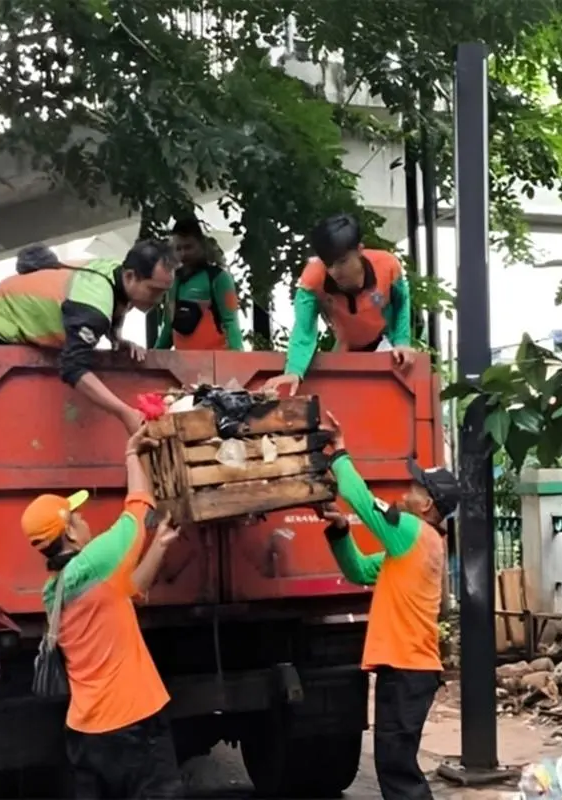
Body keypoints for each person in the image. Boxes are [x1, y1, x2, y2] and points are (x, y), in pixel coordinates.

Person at [21, 425, 183, 799]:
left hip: (86, 733)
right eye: (77, 518)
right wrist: (131, 453)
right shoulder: (94, 563)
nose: (85, 521)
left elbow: (129, 590)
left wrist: (159, 548)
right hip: (133, 725)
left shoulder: (56, 589)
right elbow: (139, 512)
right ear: (70, 534)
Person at [317, 411, 459, 800]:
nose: (408, 490)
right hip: (409, 670)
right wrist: (341, 531)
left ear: (427, 502)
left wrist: (340, 451)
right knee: (395, 764)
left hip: (408, 669)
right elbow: (361, 570)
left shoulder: (413, 531)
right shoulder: (412, 547)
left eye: (416, 487)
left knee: (397, 769)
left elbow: (363, 502)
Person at [0, 240, 177, 432]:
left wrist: (117, 339)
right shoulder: (93, 303)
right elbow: (72, 366)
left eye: (164, 292)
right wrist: (125, 413)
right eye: (154, 290)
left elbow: (115, 305)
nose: (158, 300)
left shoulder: (117, 272)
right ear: (131, 276)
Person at [265, 214, 414, 395]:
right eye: (328, 264)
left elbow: (401, 303)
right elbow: (304, 329)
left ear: (359, 250)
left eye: (342, 261)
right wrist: (294, 371)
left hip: (384, 345)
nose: (335, 271)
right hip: (345, 349)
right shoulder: (312, 280)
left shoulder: (388, 266)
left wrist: (402, 341)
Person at [154, 218, 244, 351]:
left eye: (189, 247)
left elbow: (231, 323)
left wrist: (238, 361)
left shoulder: (219, 278)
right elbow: (168, 328)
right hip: (181, 366)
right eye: (178, 249)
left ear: (201, 244)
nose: (183, 254)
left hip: (215, 364)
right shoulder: (173, 280)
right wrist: (152, 359)